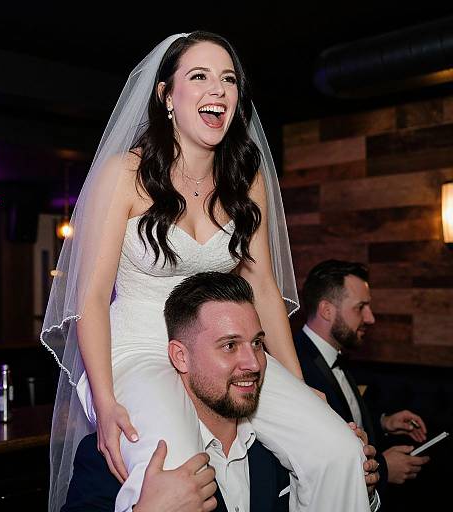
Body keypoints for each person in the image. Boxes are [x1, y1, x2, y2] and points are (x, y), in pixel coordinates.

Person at [41, 32, 370, 512]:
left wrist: (299, 385)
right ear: (166, 96)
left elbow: (261, 286)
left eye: (228, 79)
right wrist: (106, 402)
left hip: (226, 349)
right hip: (139, 350)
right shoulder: (124, 174)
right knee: (183, 480)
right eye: (199, 77)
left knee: (338, 452)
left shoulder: (246, 177)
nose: (218, 89)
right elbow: (90, 298)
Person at [61, 272, 380, 512]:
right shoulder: (123, 452)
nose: (253, 362)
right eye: (229, 345)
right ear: (180, 356)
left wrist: (356, 482)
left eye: (257, 343)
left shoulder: (290, 446)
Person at [294, 259, 430, 505]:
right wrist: (385, 468)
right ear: (327, 310)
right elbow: (314, 461)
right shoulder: (295, 365)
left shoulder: (336, 354)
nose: (370, 318)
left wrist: (383, 422)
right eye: (361, 307)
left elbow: (345, 418)